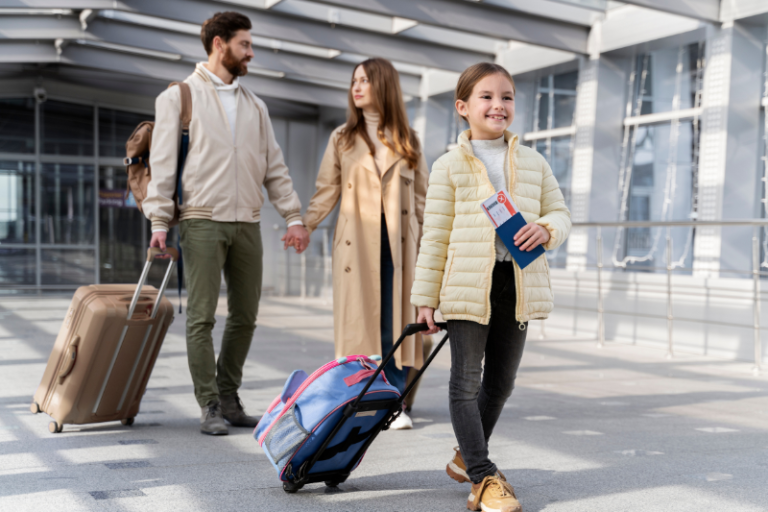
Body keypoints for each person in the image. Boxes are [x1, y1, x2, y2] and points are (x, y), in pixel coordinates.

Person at [411, 63, 571, 512]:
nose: (498, 105)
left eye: (507, 97)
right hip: (465, 285)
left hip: (516, 282)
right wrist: (425, 297)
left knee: (501, 382)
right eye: (486, 96)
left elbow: (561, 212)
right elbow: (435, 234)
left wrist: (546, 228)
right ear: (463, 107)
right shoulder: (447, 167)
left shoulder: (534, 162)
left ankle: (466, 457)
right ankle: (483, 477)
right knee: (465, 382)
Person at [143, 11, 309, 436]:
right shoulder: (179, 98)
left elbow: (275, 167)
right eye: (245, 45)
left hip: (247, 222)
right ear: (220, 44)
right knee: (201, 317)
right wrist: (160, 221)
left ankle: (230, 396)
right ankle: (209, 404)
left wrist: (293, 216)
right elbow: (162, 166)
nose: (250, 53)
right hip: (201, 220)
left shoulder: (256, 106)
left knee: (246, 316)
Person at [293, 58, 429, 429]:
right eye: (354, 80)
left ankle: (395, 401)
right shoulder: (342, 138)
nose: (356, 87)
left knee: (397, 325)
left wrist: (438, 249)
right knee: (361, 326)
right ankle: (362, 397)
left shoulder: (407, 139)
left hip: (401, 248)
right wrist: (304, 224)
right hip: (357, 247)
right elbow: (327, 191)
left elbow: (423, 200)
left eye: (365, 80)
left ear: (382, 85)